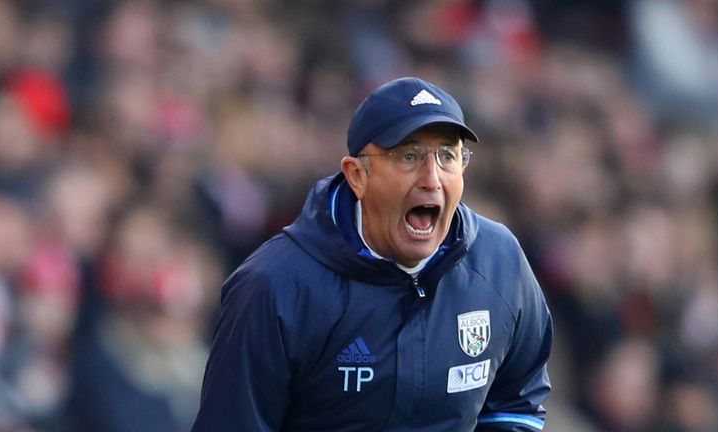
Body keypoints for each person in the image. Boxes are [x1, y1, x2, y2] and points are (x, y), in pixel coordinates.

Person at [192, 77, 553, 431]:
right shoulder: (274, 287)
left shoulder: (499, 261)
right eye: (409, 156)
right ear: (357, 175)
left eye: (447, 156)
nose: (432, 178)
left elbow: (517, 402)